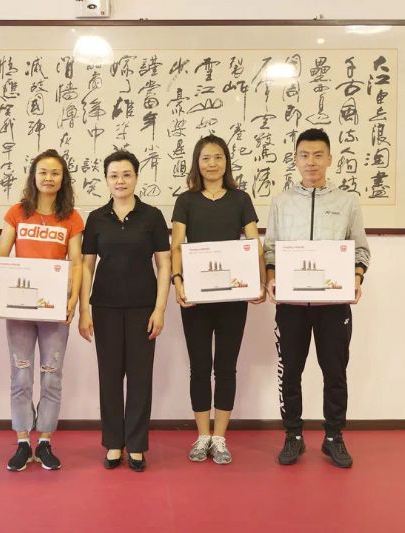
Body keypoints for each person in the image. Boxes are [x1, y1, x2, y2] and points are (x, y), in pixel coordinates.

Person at [264, 128, 371, 468]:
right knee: (290, 372)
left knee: (335, 373)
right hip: (291, 306)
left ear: (329, 158)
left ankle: (334, 437)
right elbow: (270, 249)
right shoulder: (281, 202)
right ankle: (293, 435)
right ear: (295, 160)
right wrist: (271, 278)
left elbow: (360, 249)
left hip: (334, 306)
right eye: (304, 155)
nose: (311, 162)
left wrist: (356, 278)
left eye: (318, 155)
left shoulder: (347, 201)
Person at [0, 149, 84, 471]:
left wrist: (73, 300)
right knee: (21, 374)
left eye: (55, 173)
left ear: (63, 179)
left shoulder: (71, 217)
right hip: (19, 308)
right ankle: (22, 441)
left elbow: (77, 263)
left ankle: (45, 442)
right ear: (34, 176)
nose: (49, 178)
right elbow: (0, 255)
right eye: (43, 172)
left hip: (54, 309)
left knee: (52, 375)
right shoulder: (17, 213)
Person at [170, 135, 266, 465]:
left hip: (232, 299)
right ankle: (202, 436)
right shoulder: (186, 200)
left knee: (226, 367)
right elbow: (177, 246)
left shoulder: (241, 199)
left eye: (218, 157)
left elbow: (254, 243)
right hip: (195, 299)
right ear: (197, 163)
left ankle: (220, 438)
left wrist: (259, 282)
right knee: (199, 367)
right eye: (206, 158)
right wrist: (178, 281)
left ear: (227, 162)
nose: (212, 163)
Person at [79, 150, 171, 472]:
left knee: (140, 377)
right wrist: (84, 310)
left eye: (127, 174)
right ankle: (114, 443)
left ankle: (137, 445)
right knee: (109, 377)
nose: (120, 181)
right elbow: (86, 267)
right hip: (104, 307)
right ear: (106, 180)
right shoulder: (96, 218)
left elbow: (164, 264)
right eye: (114, 175)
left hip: (143, 308)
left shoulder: (152, 217)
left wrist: (160, 309)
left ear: (136, 178)